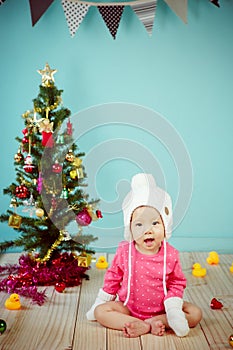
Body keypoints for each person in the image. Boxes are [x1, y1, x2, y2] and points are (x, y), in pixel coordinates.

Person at [86, 173, 202, 338]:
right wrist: (101, 300)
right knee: (101, 312)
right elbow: (113, 278)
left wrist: (173, 308)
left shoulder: (170, 254)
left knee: (195, 313)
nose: (148, 230)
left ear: (165, 225)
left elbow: (177, 283)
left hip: (163, 308)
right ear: (130, 229)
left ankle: (152, 323)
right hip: (128, 308)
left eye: (155, 223)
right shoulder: (125, 252)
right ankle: (139, 323)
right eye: (139, 224)